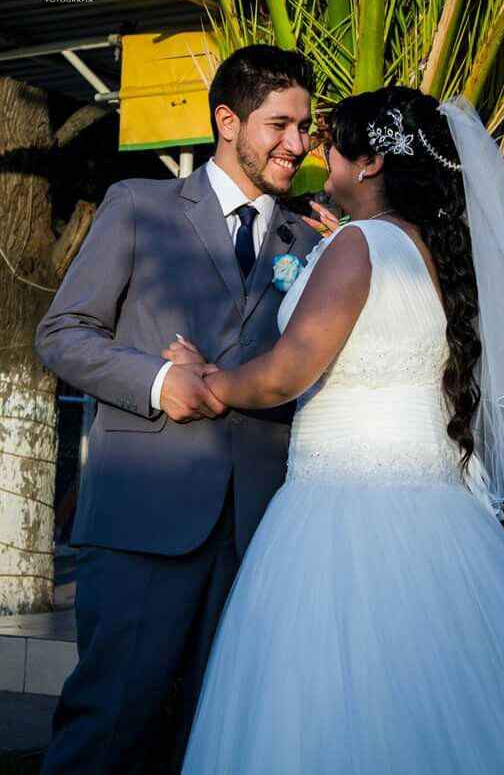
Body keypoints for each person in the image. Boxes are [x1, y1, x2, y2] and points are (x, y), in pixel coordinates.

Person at [166, 86, 504, 774]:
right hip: (437, 517)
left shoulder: (359, 244)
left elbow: (287, 373)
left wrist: (208, 381)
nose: (319, 155)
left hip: (340, 509)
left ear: (370, 162)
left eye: (331, 143)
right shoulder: (429, 250)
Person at [33, 44, 322, 774]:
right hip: (142, 523)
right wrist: (161, 381)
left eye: (305, 127)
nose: (297, 143)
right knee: (110, 727)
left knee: (211, 737)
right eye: (280, 124)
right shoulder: (141, 204)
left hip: (256, 535)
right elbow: (63, 333)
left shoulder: (311, 244)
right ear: (228, 120)